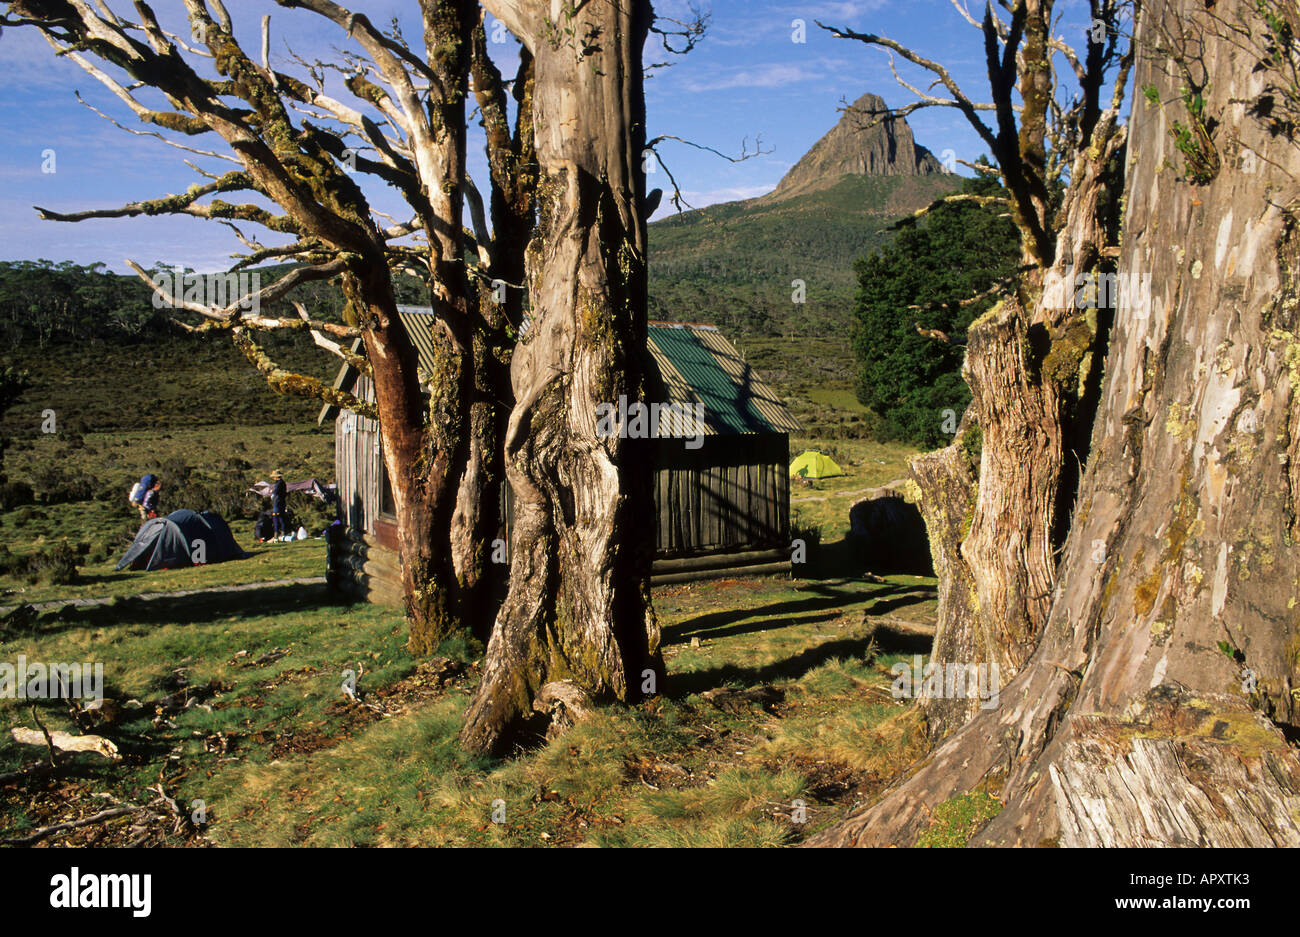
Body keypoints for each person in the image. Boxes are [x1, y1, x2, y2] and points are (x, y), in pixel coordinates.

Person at [270, 470, 288, 541]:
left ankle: (276, 535)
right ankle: (283, 534)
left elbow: (275, 492)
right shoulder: (283, 483)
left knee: (275, 518)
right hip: (282, 503)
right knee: (281, 518)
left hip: (277, 504)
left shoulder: (278, 484)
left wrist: (272, 494)